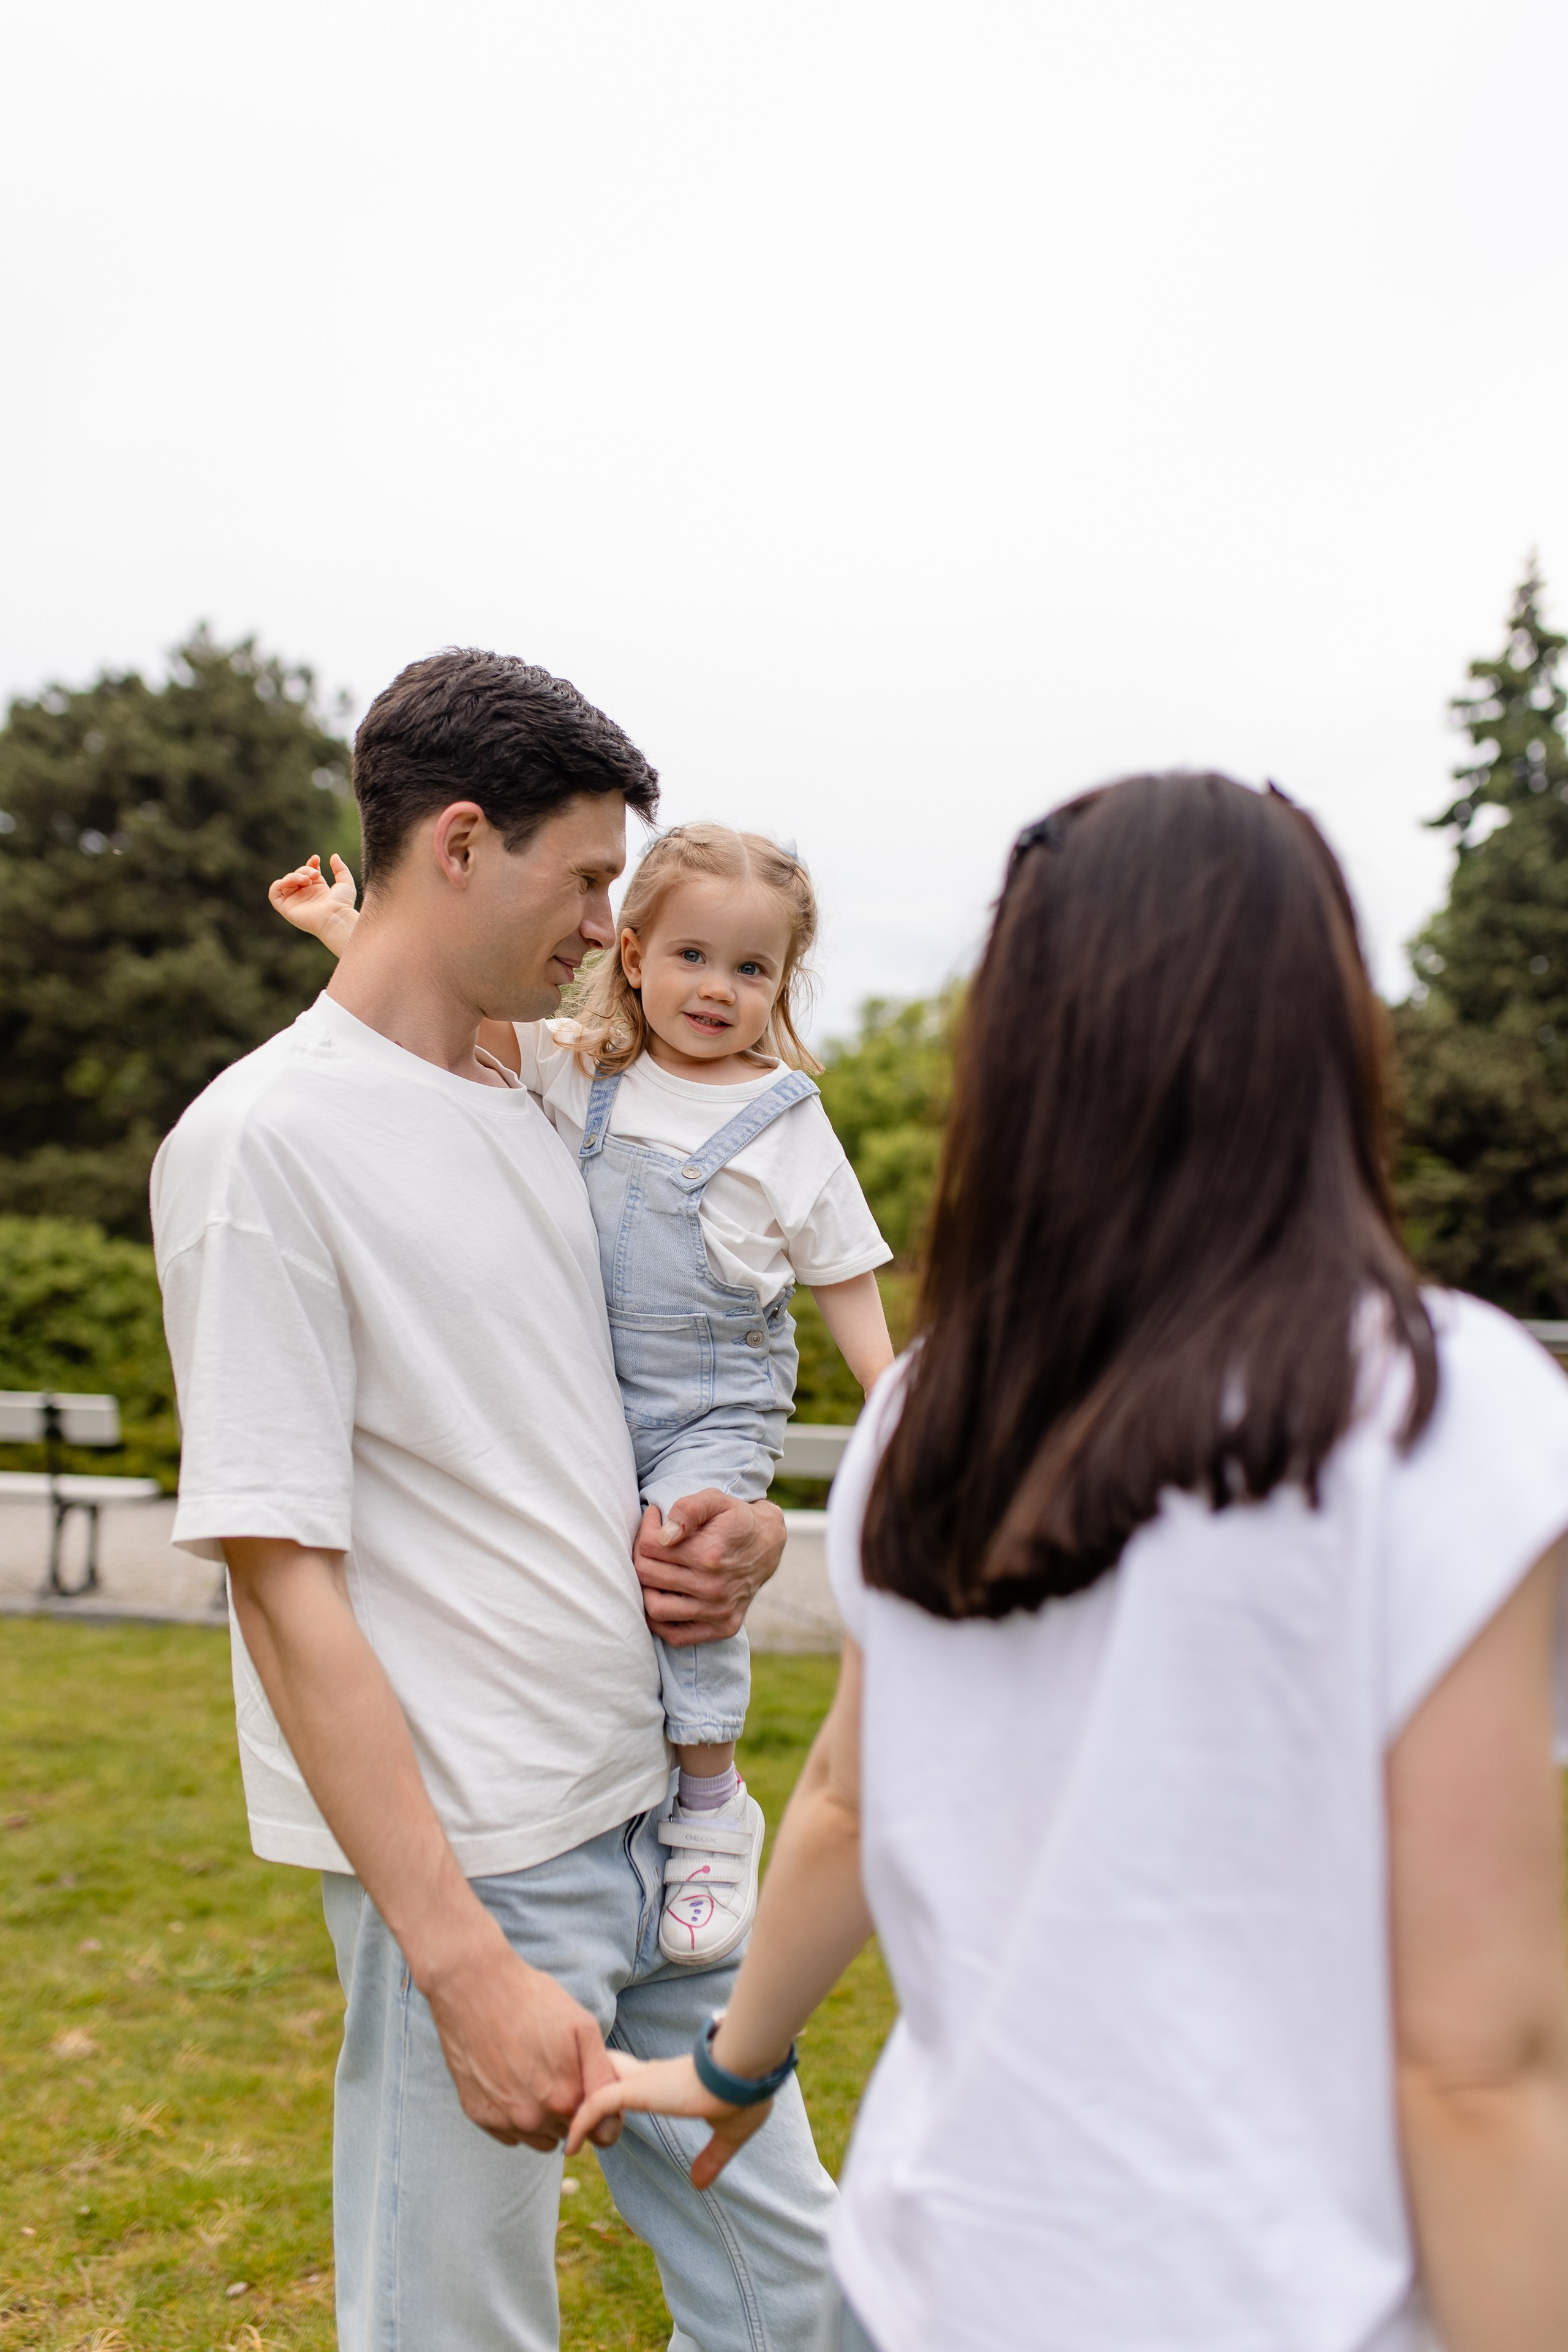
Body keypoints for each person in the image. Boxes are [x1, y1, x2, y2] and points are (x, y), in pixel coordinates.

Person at [570, 773, 1568, 2352]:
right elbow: (1474, 2065)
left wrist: (735, 2062)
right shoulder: (1451, 1404)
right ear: (1323, 1031)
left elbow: (842, 1798)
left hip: (931, 2286)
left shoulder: (930, 1408)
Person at [151, 650, 836, 2352]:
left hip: (662, 1824)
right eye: (591, 879)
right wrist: (456, 1961)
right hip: (483, 1858)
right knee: (459, 2330)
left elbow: (669, 1352)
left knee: (804, 2298)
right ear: (462, 844)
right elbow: (279, 1583)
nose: (615, 926)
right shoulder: (258, 1152)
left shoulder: (544, 1092)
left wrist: (736, 1530)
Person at [270, 822, 894, 1966]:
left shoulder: (785, 1118)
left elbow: (843, 1272)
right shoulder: (580, 1064)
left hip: (714, 1403)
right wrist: (339, 928)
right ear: (637, 954)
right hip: (591, 1389)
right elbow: (444, 1006)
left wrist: (892, 1402)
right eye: (695, 957)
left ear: (782, 988)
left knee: (682, 1554)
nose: (719, 990)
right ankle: (628, 1796)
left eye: (753, 971)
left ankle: (710, 1804)